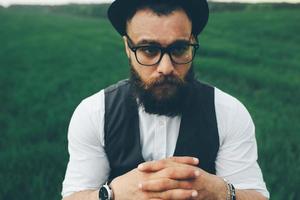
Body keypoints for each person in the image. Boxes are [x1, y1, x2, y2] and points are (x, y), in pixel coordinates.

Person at [61, 0, 269, 199]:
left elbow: (255, 195)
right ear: (127, 47)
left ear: (192, 43)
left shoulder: (229, 112)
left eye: (178, 49)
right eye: (149, 50)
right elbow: (74, 196)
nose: (166, 68)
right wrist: (112, 194)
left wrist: (221, 193)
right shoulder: (94, 113)